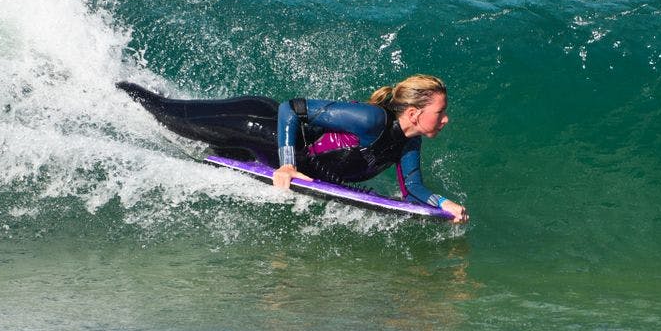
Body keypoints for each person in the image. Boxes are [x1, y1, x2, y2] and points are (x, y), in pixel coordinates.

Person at [116, 75, 467, 222]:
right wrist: (286, 165)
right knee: (166, 114)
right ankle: (112, 89)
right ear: (414, 113)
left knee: (204, 145)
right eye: (441, 113)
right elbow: (291, 108)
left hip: (263, 147)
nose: (446, 120)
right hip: (257, 123)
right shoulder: (370, 120)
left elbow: (414, 189)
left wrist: (444, 205)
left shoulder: (408, 141)